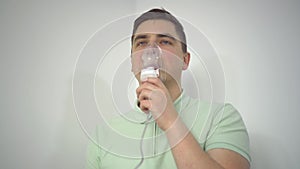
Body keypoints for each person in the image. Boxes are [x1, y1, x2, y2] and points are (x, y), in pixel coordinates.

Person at [86, 8, 251, 169]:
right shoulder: (103, 134)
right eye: (142, 42)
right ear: (132, 61)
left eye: (164, 41)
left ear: (185, 60)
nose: (150, 51)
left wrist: (170, 120)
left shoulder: (221, 118)